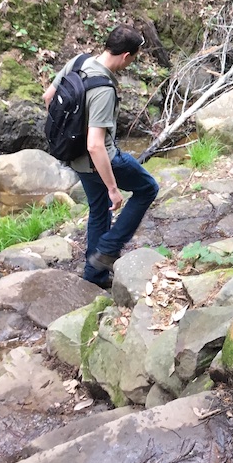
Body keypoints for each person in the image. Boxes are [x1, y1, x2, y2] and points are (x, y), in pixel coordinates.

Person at [44, 25, 159, 287]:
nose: (131, 63)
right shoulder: (104, 89)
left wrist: (69, 135)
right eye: (133, 58)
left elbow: (48, 97)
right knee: (147, 189)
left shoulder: (78, 62)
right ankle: (108, 248)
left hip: (75, 157)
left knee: (99, 210)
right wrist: (113, 189)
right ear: (126, 56)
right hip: (101, 160)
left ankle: (94, 276)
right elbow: (96, 146)